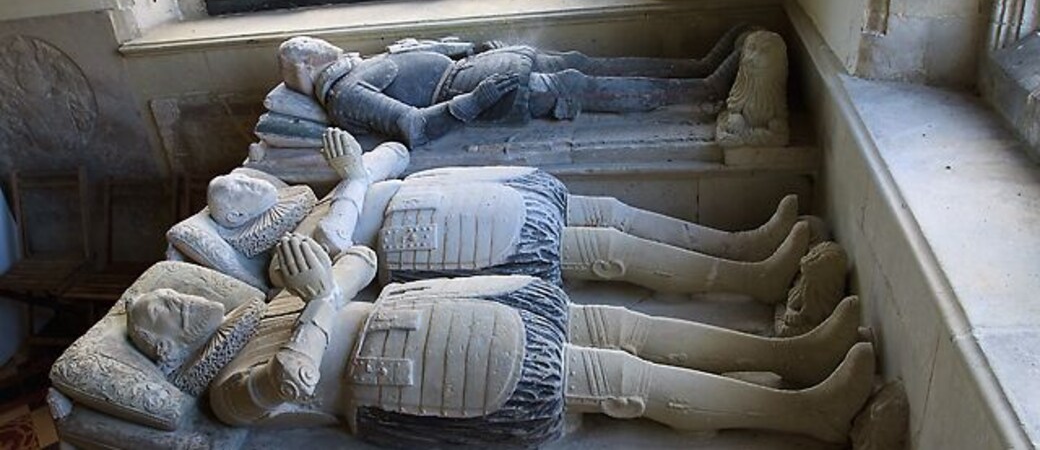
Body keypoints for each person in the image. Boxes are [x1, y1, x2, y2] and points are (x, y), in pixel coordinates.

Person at [127, 236, 875, 446]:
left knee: (628, 328)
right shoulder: (225, 383)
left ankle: (791, 357)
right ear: (165, 351)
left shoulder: (260, 310)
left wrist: (326, 277)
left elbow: (362, 263)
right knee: (619, 377)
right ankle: (809, 413)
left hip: (448, 313)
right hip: (423, 373)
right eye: (156, 311)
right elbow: (289, 383)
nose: (171, 297)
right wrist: (322, 293)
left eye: (164, 289)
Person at [168, 128, 824, 305]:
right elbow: (348, 250)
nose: (249, 181)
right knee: (607, 252)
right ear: (245, 224)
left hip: (472, 196)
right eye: (240, 192)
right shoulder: (302, 242)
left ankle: (744, 247)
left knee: (615, 214)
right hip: (451, 243)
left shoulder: (321, 195)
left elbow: (398, 151)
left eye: (244, 178)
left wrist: (360, 170)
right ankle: (752, 283)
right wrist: (356, 176)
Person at [275, 26, 760, 147]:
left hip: (474, 63)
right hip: (466, 89)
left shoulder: (357, 66)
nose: (326, 47)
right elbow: (414, 126)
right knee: (575, 85)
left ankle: (695, 68)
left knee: (576, 60)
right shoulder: (345, 96)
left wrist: (471, 47)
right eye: (315, 49)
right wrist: (475, 101)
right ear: (311, 64)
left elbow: (424, 54)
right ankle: (706, 92)